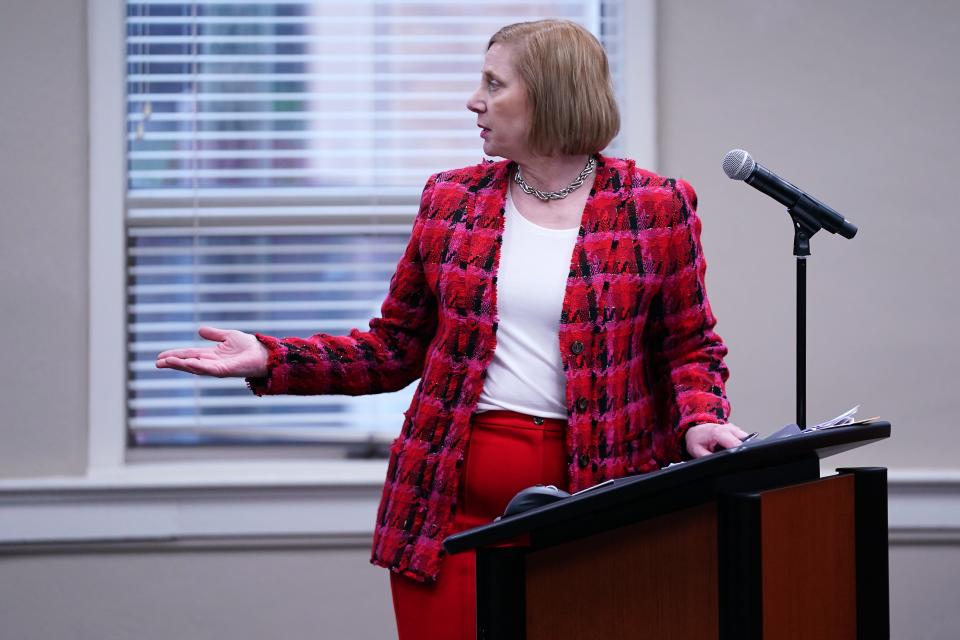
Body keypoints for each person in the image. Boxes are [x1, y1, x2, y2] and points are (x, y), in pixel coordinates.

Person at [156, 19, 748, 639]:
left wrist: (700, 416)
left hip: (595, 504)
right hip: (449, 510)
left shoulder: (654, 207)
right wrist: (271, 359)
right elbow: (391, 350)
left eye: (494, 84)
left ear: (549, 94)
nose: (474, 100)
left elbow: (688, 345)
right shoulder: (451, 200)